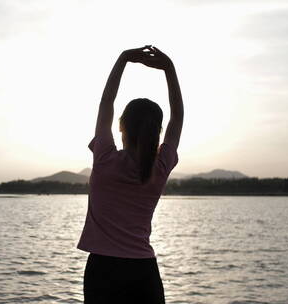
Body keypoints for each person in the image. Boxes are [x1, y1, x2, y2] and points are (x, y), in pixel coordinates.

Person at [77, 45, 183, 303]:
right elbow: (178, 116)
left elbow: (106, 103)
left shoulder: (104, 158)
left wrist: (123, 59)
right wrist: (169, 69)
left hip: (102, 271)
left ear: (121, 127)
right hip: (143, 272)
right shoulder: (160, 166)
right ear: (157, 132)